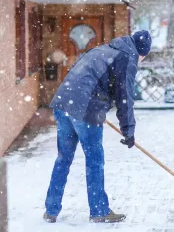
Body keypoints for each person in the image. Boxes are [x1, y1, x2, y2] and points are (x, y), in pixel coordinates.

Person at [43, 30, 152, 223]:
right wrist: (128, 130)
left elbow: (81, 76)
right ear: (142, 52)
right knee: (94, 161)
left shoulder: (104, 49)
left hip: (62, 103)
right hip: (85, 108)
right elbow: (125, 97)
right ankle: (99, 211)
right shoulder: (127, 58)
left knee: (63, 158)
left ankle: (51, 210)